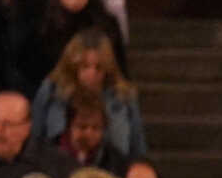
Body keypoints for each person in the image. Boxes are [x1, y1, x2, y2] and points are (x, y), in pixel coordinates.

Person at [28, 31, 143, 159]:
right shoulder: (52, 91)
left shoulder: (123, 95)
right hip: (57, 171)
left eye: (98, 67)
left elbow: (137, 146)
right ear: (72, 66)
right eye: (85, 66)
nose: (91, 74)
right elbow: (35, 138)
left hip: (113, 172)